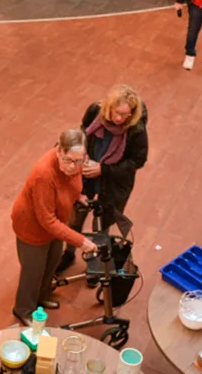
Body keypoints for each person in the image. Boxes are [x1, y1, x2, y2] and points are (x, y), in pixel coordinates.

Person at [56, 85, 148, 274]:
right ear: (108, 107)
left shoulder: (136, 129)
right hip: (86, 177)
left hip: (113, 183)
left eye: (126, 115)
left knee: (103, 226)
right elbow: (84, 132)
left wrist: (103, 169)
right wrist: (84, 157)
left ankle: (94, 264)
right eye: (116, 113)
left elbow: (137, 161)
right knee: (75, 219)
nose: (119, 119)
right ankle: (69, 253)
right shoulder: (94, 112)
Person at [11, 129, 98, 323]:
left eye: (79, 161)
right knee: (32, 272)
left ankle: (41, 298)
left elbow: (70, 185)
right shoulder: (44, 175)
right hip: (32, 226)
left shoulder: (76, 163)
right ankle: (24, 309)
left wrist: (77, 196)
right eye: (68, 160)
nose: (73, 167)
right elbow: (47, 220)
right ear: (59, 151)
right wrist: (80, 241)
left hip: (56, 224)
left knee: (51, 264)